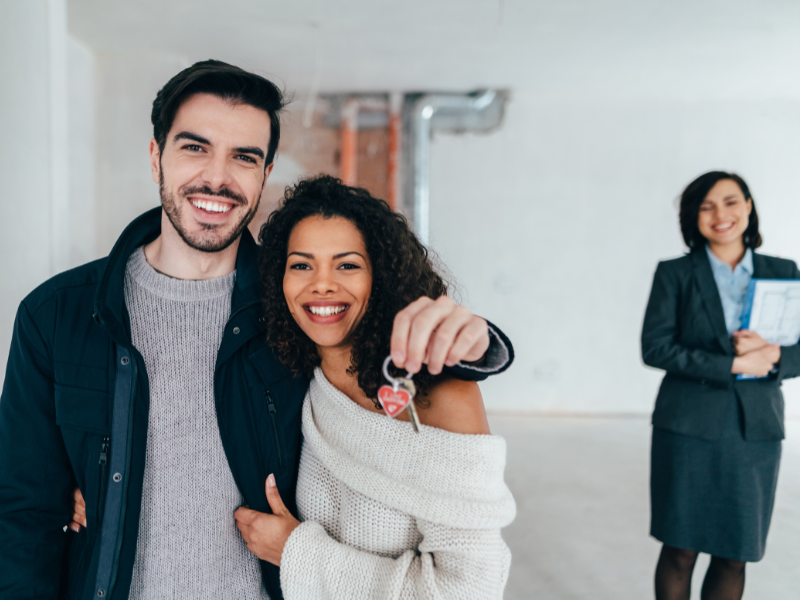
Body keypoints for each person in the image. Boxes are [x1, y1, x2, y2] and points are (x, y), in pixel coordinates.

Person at [0, 60, 513, 600]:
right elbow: (24, 512)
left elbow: (384, 329)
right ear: (156, 157)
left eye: (244, 157)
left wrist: (479, 342)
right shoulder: (57, 315)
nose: (217, 178)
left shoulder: (293, 311)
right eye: (194, 147)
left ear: (265, 174)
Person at [229, 175, 516, 598]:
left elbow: (470, 588)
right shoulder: (301, 379)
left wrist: (297, 552)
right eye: (301, 265)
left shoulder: (440, 396)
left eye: (347, 264)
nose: (321, 284)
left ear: (380, 277)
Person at [641, 171, 800, 600]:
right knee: (681, 549)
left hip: (755, 429)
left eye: (730, 202)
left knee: (734, 553)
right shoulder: (674, 274)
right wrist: (732, 363)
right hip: (687, 425)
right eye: (706, 206)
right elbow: (655, 348)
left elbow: (797, 347)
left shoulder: (783, 272)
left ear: (748, 206)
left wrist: (773, 355)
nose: (720, 214)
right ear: (693, 217)